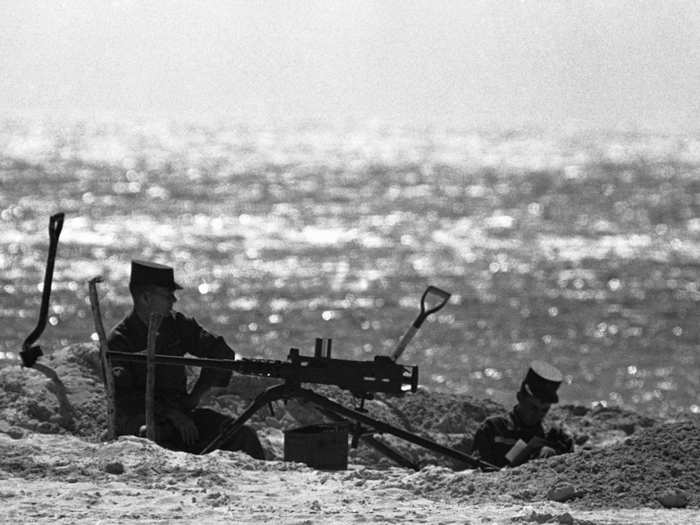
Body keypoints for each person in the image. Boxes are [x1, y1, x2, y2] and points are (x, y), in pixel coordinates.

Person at [107, 259, 265, 459]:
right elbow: (123, 397)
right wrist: (169, 414)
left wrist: (196, 396)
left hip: (183, 417)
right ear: (146, 298)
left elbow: (220, 352)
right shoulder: (120, 341)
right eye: (167, 295)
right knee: (148, 436)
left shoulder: (176, 325)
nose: (173, 300)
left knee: (243, 435)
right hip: (141, 422)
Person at [471, 360, 573, 468]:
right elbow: (478, 471)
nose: (537, 415)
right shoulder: (493, 428)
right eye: (533, 408)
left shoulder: (556, 436)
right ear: (520, 397)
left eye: (544, 410)